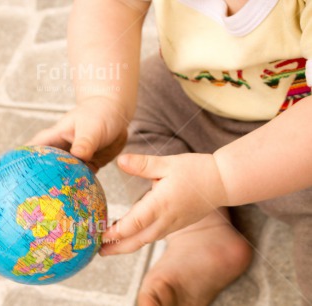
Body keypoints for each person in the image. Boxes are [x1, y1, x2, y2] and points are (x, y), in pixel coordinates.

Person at [28, 0, 312, 305]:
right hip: (194, 97)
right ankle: (200, 236)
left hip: (294, 150)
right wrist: (102, 100)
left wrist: (220, 179)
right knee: (125, 117)